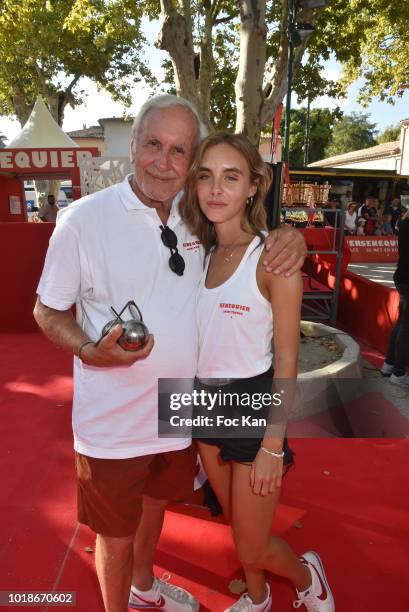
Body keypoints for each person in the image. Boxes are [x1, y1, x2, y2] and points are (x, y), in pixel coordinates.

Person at [33, 95, 307, 612]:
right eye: (153, 145)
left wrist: (289, 237)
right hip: (112, 419)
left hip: (183, 410)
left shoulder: (195, 216)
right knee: (114, 535)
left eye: (179, 151)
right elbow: (47, 312)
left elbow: (248, 243)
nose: (164, 162)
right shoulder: (81, 221)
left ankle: (145, 588)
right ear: (132, 146)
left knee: (158, 506)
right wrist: (91, 350)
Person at [181, 132, 334, 612]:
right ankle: (259, 594)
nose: (216, 189)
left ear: (253, 186)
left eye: (231, 177)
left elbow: (288, 360)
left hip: (253, 402)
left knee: (253, 543)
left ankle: (309, 576)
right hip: (202, 400)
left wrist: (273, 444)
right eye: (206, 177)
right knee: (233, 519)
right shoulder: (200, 253)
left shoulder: (273, 257)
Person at [381, 209, 409, 386]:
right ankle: (399, 373)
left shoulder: (404, 224)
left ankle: (389, 364)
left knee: (402, 323)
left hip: (401, 276)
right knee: (406, 326)